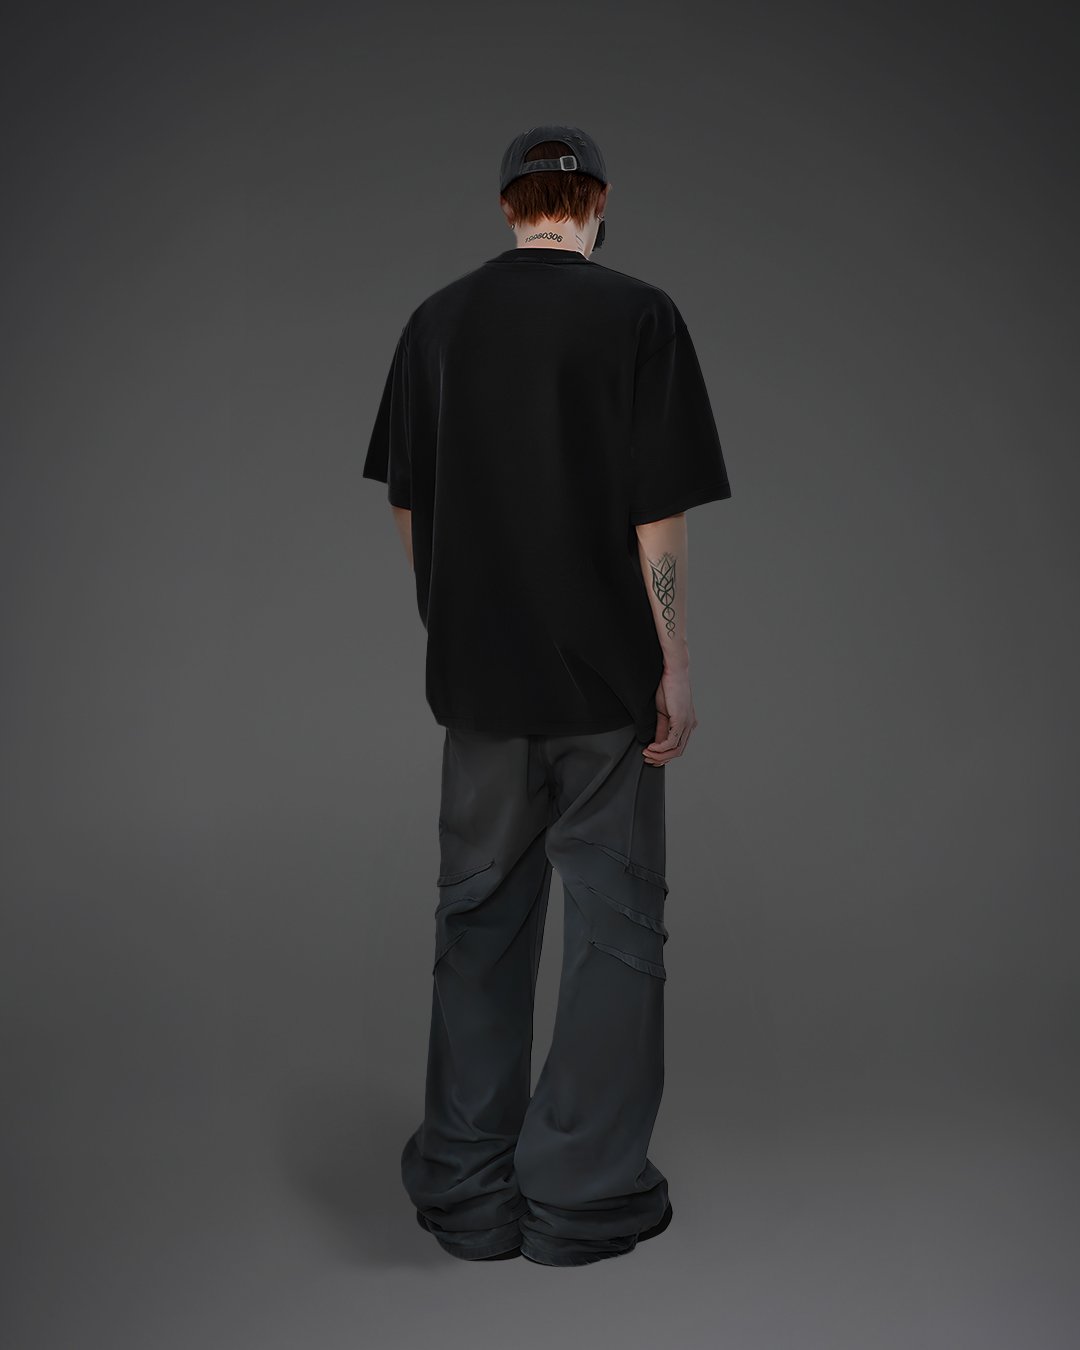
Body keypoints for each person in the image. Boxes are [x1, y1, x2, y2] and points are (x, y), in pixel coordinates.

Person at [362, 124, 732, 1266]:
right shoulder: (640, 317)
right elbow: (655, 512)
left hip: (479, 683)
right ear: (599, 201)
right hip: (604, 688)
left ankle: (467, 1192)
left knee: (476, 923)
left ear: (507, 205)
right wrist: (675, 660)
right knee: (614, 936)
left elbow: (406, 500)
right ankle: (581, 1197)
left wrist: (452, 620)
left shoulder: (435, 322)